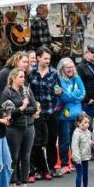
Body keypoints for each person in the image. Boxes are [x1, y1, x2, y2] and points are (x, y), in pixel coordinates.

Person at [27, 46, 63, 179]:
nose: (48, 61)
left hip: (51, 110)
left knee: (52, 139)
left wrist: (58, 91)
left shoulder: (54, 73)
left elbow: (58, 89)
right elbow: (28, 91)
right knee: (37, 142)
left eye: (49, 58)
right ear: (38, 58)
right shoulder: (31, 73)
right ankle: (37, 169)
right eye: (45, 58)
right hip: (37, 112)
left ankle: (52, 166)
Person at [0, 68, 36, 187]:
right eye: (20, 77)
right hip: (14, 128)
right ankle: (13, 186)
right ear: (14, 78)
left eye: (23, 77)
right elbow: (7, 112)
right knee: (14, 157)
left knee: (26, 156)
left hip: (29, 126)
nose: (23, 79)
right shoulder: (7, 92)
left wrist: (22, 110)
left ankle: (25, 186)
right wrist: (21, 108)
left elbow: (34, 108)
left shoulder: (26, 90)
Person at [56, 57, 86, 174]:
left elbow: (83, 93)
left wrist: (72, 96)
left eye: (72, 67)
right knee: (65, 140)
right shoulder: (60, 79)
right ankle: (64, 163)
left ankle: (75, 161)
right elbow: (64, 96)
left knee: (77, 140)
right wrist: (75, 96)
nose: (70, 69)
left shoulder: (77, 78)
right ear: (62, 69)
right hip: (65, 116)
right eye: (67, 67)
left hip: (77, 115)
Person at [70, 113, 94, 187]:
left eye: (88, 123)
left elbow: (87, 142)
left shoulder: (88, 132)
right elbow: (74, 147)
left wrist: (92, 143)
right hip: (79, 158)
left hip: (85, 156)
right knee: (79, 173)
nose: (87, 124)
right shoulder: (76, 133)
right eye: (85, 122)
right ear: (78, 123)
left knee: (85, 172)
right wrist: (77, 158)